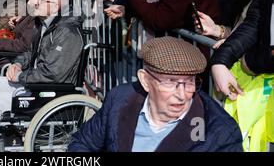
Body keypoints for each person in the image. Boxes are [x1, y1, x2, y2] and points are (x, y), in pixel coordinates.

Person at [0, 0, 84, 152]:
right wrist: (19, 64)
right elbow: (30, 52)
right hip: (36, 83)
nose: (34, 2)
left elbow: (53, 75)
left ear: (55, 5)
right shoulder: (45, 23)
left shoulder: (67, 33)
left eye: (40, 0)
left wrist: (21, 76)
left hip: (50, 93)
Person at [68, 37, 243, 152]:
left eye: (190, 81)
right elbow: (81, 144)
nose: (182, 95)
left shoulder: (221, 132)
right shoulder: (120, 99)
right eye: (170, 82)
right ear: (145, 80)